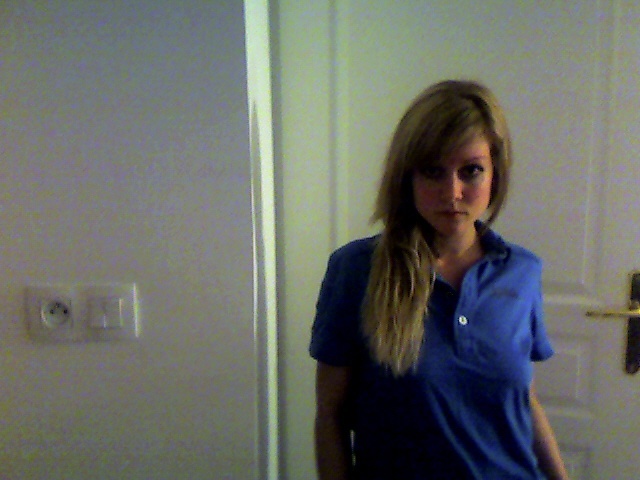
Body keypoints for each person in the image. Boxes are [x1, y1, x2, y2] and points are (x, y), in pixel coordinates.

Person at [309, 79, 570, 480]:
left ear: (495, 174)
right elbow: (330, 415)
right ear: (407, 177)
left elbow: (524, 399)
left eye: (471, 171)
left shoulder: (522, 271)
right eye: (433, 171)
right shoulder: (357, 270)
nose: (453, 192)